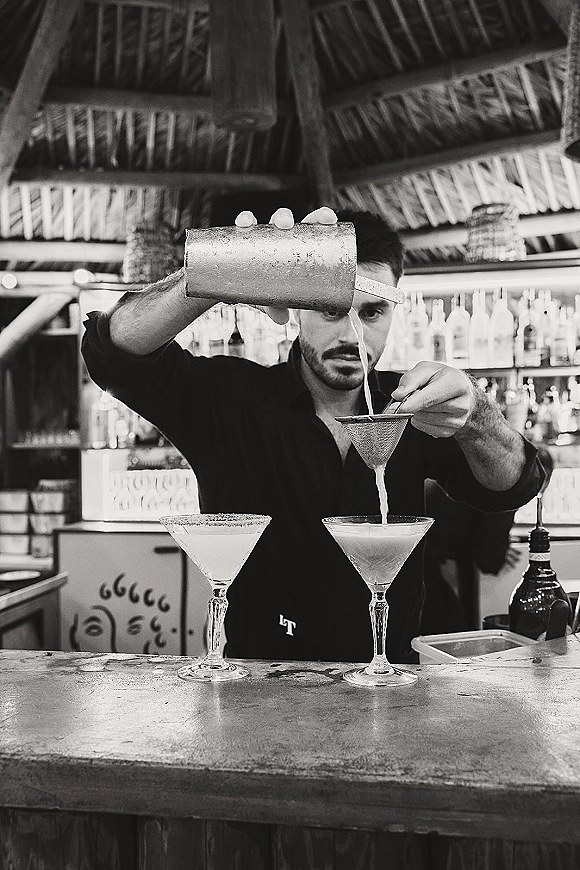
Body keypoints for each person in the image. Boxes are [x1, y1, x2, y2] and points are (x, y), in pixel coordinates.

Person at [81, 206, 544, 664]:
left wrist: (477, 415)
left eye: (373, 311)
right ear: (297, 308)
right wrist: (222, 269)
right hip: (258, 691)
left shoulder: (413, 405)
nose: (350, 333)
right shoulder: (230, 400)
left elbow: (514, 485)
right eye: (329, 309)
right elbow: (111, 353)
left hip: (391, 688)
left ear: (393, 310)